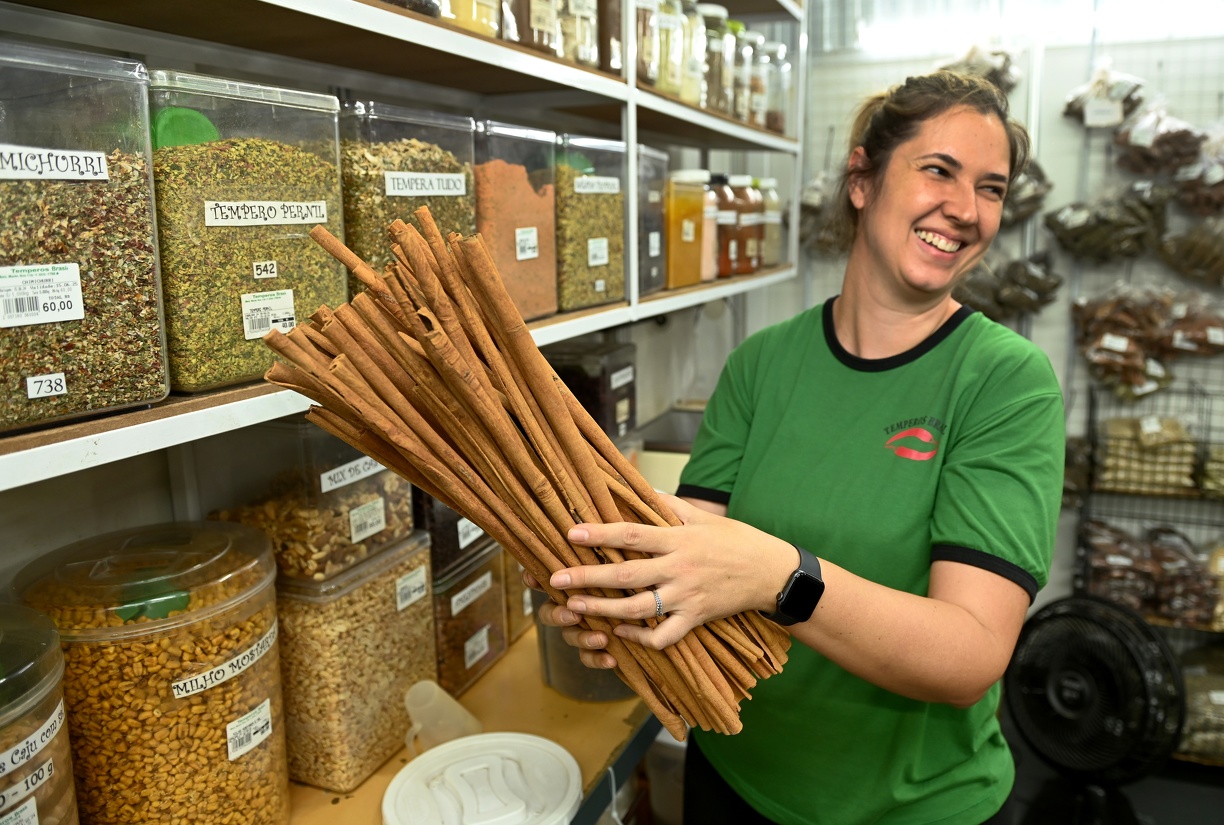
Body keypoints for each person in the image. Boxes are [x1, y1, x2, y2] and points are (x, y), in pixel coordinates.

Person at [532, 70, 1065, 825]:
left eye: (991, 188)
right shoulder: (763, 361)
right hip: (734, 778)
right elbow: (688, 544)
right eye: (938, 170)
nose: (965, 209)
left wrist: (784, 576)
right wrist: (626, 607)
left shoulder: (1006, 382)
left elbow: (970, 653)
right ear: (861, 178)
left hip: (911, 811)